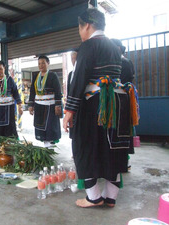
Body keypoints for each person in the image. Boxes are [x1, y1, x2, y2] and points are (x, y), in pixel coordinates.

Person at [63, 8, 137, 208]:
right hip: (118, 104)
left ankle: (94, 196)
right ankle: (110, 197)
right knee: (113, 148)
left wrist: (69, 111)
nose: (80, 32)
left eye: (80, 27)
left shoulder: (88, 46)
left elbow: (79, 80)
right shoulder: (114, 47)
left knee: (84, 145)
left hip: (95, 106)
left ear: (86, 25)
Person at [111, 38, 136, 170]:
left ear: (119, 49)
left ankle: (123, 162)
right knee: (122, 131)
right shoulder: (124, 61)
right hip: (122, 99)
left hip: (120, 100)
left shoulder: (122, 62)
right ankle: (124, 161)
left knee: (121, 131)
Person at [28, 55, 62, 148]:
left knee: (50, 127)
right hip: (39, 106)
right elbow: (32, 92)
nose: (41, 65)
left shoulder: (52, 75)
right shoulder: (35, 76)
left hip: (50, 106)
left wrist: (58, 105)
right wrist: (31, 105)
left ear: (48, 63)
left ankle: (50, 147)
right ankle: (45, 146)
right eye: (39, 63)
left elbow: (58, 91)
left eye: (43, 63)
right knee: (41, 127)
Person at [0, 60, 23, 138]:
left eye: (1, 69)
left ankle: (10, 144)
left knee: (10, 126)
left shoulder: (10, 80)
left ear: (4, 68)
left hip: (9, 108)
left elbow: (15, 93)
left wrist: (20, 106)